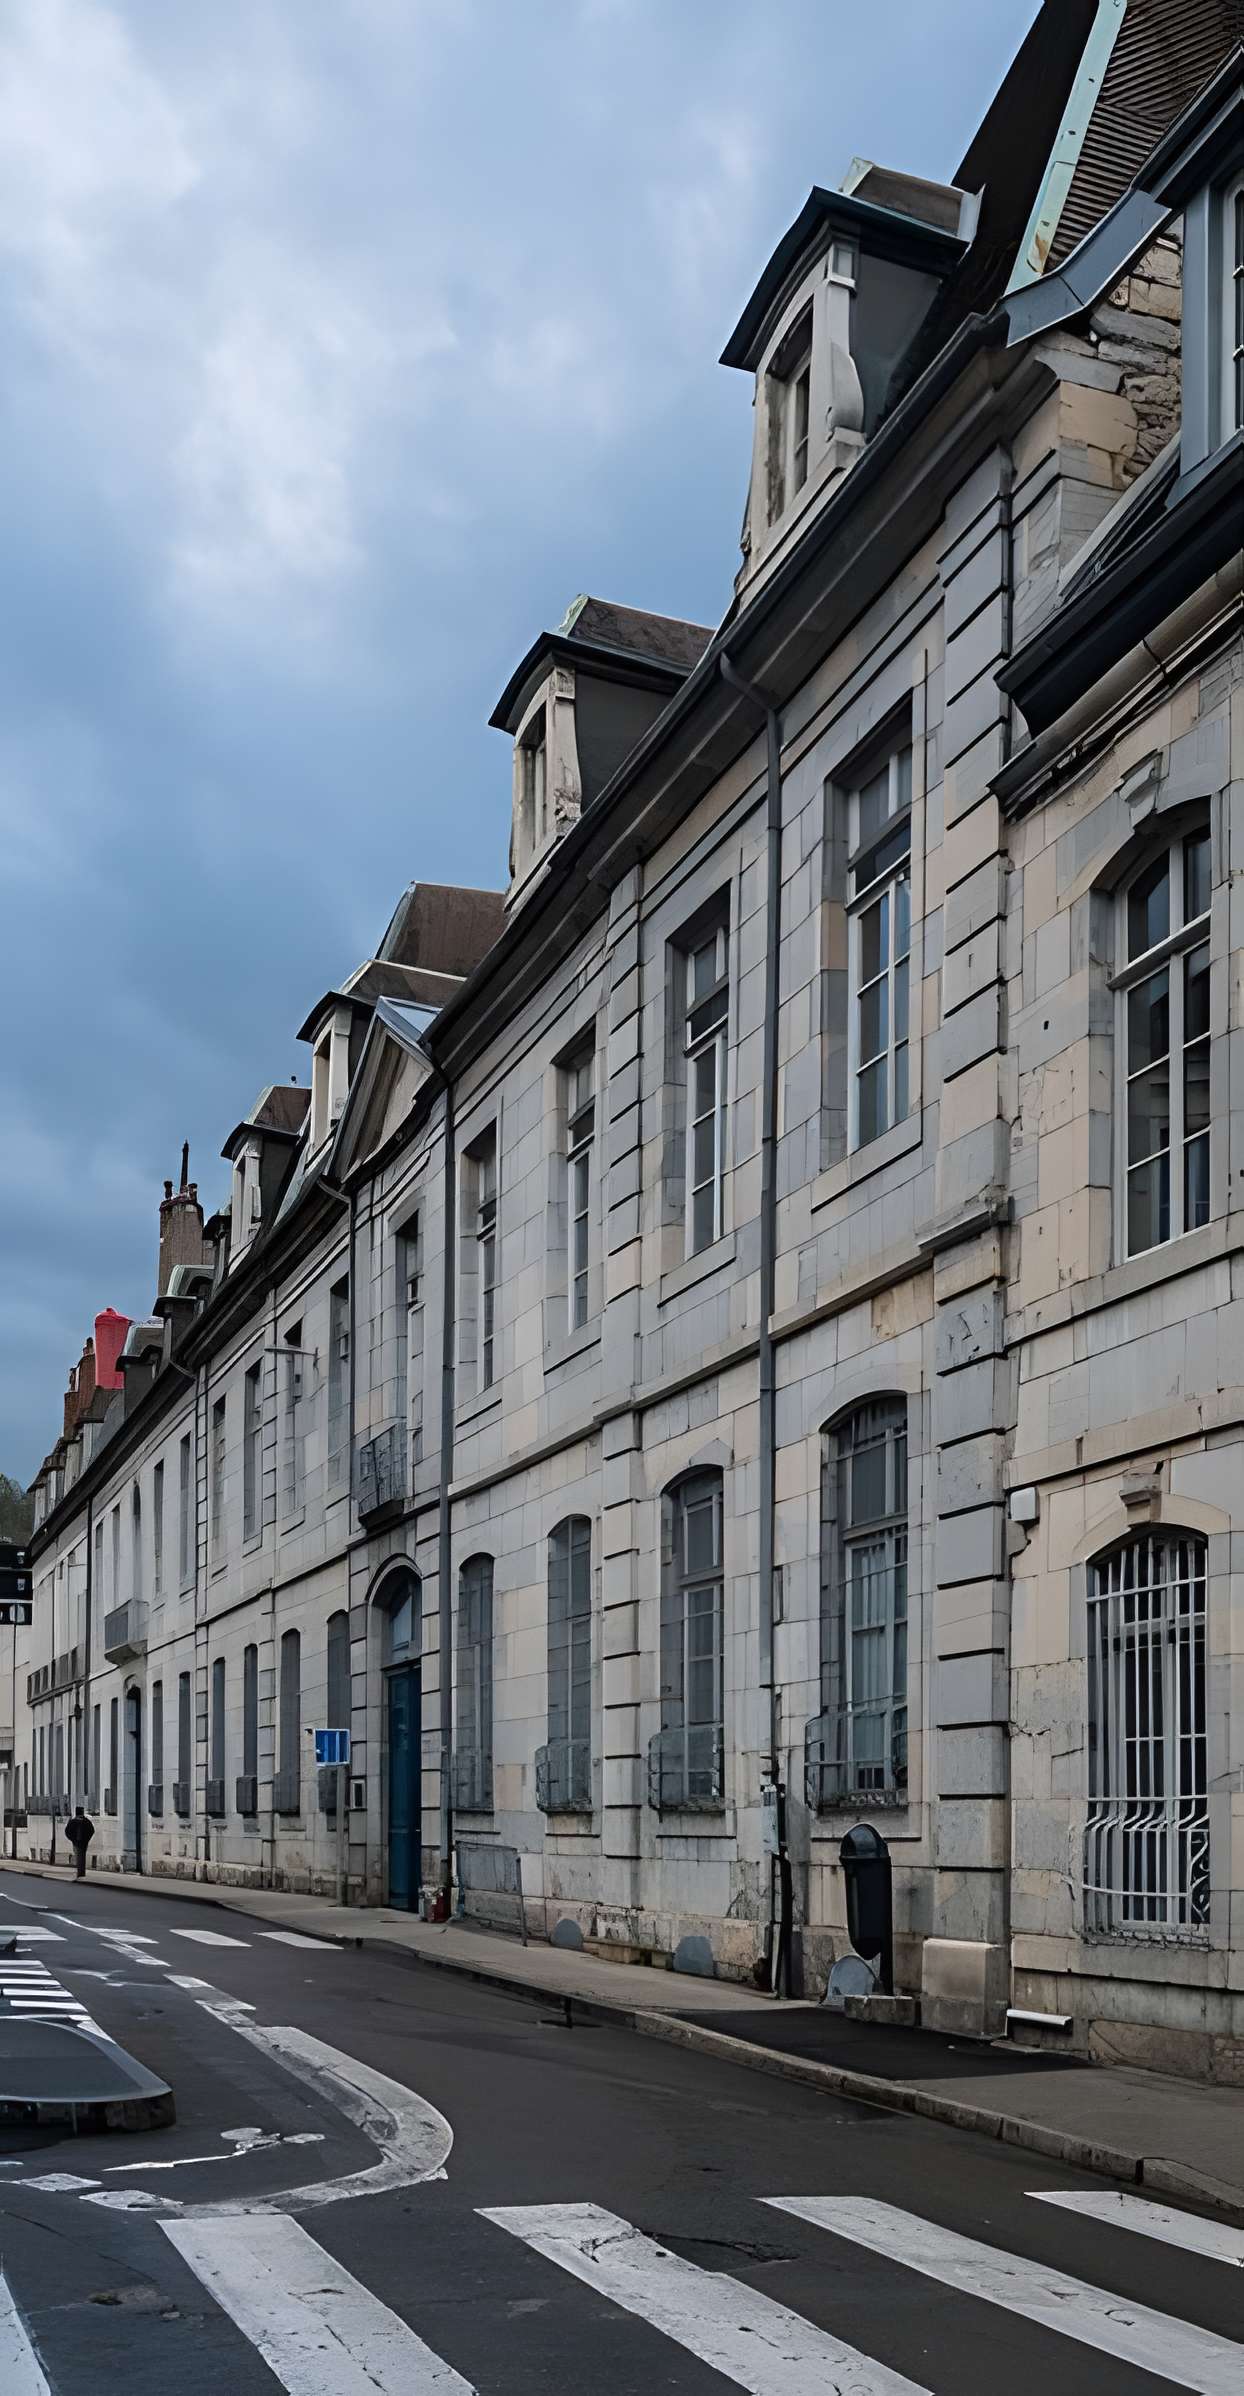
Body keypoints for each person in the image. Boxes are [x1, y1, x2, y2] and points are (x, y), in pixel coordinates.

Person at [64, 1805, 95, 1880]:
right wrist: (87, 1839)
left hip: (76, 1842)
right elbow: (92, 1831)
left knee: (78, 1855)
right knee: (82, 1855)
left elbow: (67, 1831)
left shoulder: (73, 1821)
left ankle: (79, 1871)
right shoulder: (86, 1821)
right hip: (84, 1842)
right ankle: (81, 1872)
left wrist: (72, 1839)